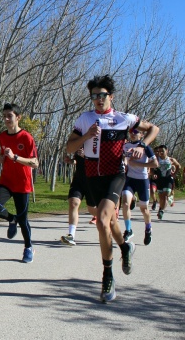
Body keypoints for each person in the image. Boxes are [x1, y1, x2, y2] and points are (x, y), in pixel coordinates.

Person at [66, 75, 158, 303]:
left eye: (102, 95)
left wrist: (141, 146)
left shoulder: (124, 118)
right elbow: (69, 147)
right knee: (112, 223)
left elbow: (154, 128)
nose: (98, 99)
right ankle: (126, 248)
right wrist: (86, 136)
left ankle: (107, 275)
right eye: (94, 96)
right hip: (92, 177)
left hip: (115, 175)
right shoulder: (85, 119)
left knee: (103, 221)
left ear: (111, 96)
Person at [0, 103, 38, 263]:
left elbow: (35, 163)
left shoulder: (26, 137)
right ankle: (12, 219)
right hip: (7, 181)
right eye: (4, 116)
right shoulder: (2, 136)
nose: (6, 119)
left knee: (24, 220)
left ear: (18, 117)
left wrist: (16, 157)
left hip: (22, 184)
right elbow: (3, 154)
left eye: (9, 116)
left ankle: (28, 248)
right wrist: (1, 158)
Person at [122, 130, 158, 245]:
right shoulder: (125, 146)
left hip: (142, 180)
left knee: (144, 209)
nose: (133, 134)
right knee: (125, 203)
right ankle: (128, 230)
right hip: (130, 179)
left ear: (142, 135)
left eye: (136, 132)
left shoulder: (145, 147)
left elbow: (155, 164)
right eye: (131, 131)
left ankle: (148, 229)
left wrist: (139, 164)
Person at [60, 148, 97, 246]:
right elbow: (78, 160)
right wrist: (71, 161)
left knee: (92, 209)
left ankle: (110, 223)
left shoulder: (97, 141)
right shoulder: (79, 141)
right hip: (79, 180)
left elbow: (102, 161)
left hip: (92, 180)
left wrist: (87, 156)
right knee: (73, 202)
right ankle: (71, 235)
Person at [150, 145, 180, 220]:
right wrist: (153, 174)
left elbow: (178, 166)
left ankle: (162, 211)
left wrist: (175, 174)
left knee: (165, 195)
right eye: (159, 151)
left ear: (167, 151)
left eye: (162, 151)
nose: (160, 153)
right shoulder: (156, 159)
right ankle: (161, 208)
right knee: (161, 197)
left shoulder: (171, 160)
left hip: (168, 179)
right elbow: (151, 168)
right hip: (159, 180)